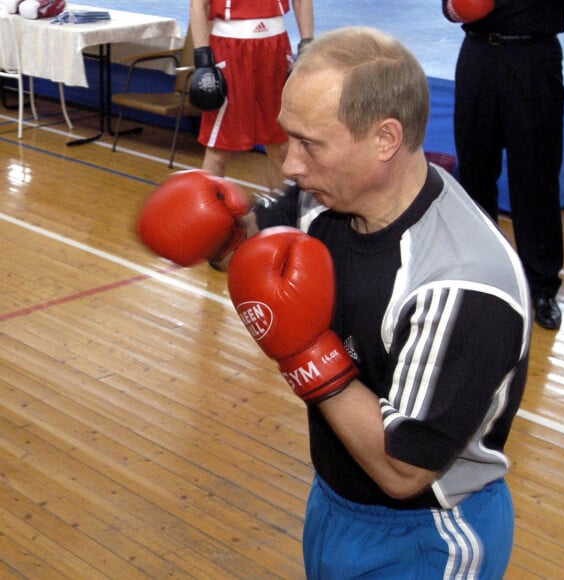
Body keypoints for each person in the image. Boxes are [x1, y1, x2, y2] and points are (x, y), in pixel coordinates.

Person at [138, 27, 532, 578]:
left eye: (311, 144)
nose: (290, 166)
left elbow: (403, 471)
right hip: (334, 501)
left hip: (428, 534)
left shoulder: (461, 283)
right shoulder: (324, 201)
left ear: (385, 139)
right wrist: (221, 228)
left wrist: (304, 352)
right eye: (289, 139)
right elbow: (256, 253)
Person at [443, 0, 564, 330]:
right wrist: (456, 8)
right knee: (475, 172)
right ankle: (483, 277)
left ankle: (541, 287)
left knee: (537, 175)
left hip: (533, 57)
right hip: (478, 55)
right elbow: (448, 8)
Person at [188, 0, 314, 193]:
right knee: (219, 148)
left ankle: (279, 215)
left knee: (280, 145)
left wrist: (307, 43)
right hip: (230, 49)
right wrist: (202, 58)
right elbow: (198, 4)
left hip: (275, 47)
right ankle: (206, 213)